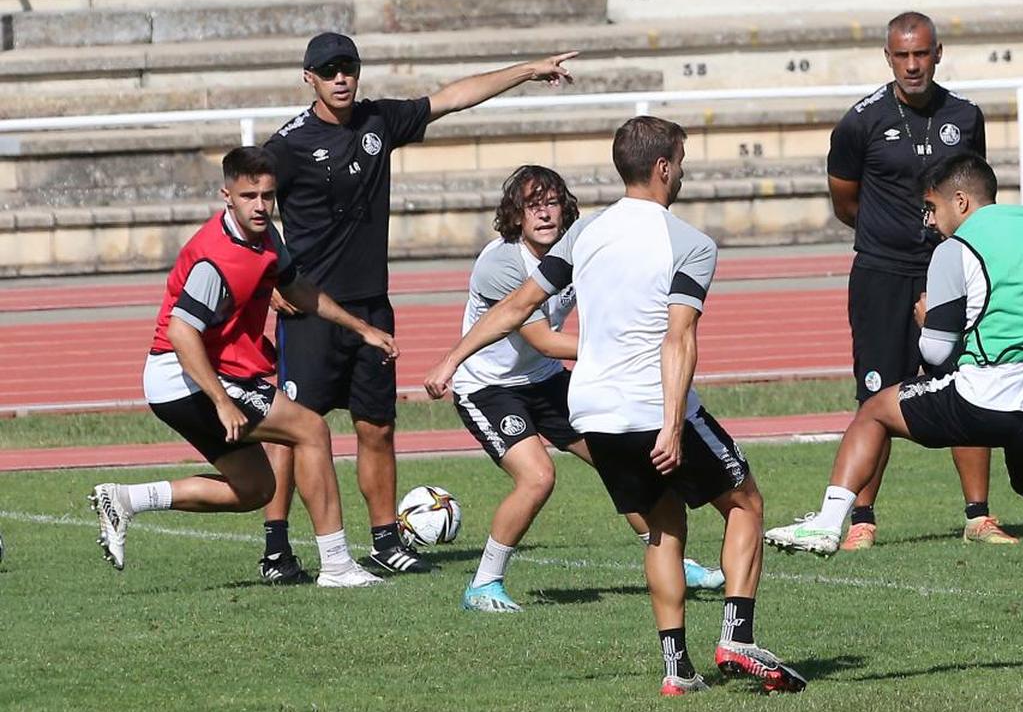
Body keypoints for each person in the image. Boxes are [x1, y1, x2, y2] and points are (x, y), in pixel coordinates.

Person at [426, 117, 805, 696]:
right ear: (662, 168)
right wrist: (675, 425)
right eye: (680, 160)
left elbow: (514, 307)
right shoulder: (691, 243)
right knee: (745, 503)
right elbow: (679, 339)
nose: (682, 170)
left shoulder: (585, 235)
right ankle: (736, 636)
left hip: (593, 412)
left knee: (663, 529)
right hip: (651, 408)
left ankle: (677, 671)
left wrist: (450, 359)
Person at [765, 153, 1023, 676]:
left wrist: (923, 319)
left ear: (960, 201)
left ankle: (829, 522)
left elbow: (937, 354)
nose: (930, 221)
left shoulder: (954, 249)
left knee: (873, 411)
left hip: (986, 398)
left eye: (931, 208)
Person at [258, 32, 578, 582]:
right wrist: (268, 283)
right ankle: (276, 547)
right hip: (309, 309)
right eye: (328, 70)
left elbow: (453, 97)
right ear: (308, 77)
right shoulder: (286, 146)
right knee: (296, 429)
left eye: (348, 68)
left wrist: (527, 70)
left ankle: (385, 540)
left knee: (377, 427)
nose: (341, 78)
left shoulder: (378, 121)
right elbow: (250, 210)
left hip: (371, 310)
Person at [89, 147, 398, 588]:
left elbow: (299, 290)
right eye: (249, 195)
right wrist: (221, 402)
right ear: (226, 196)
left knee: (254, 488)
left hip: (194, 377)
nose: (260, 205)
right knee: (311, 430)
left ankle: (125, 499)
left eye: (268, 196)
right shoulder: (216, 259)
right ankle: (337, 565)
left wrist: (361, 328)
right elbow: (181, 333)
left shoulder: (267, 239)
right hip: (184, 377)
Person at [447, 164, 724, 613]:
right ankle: (483, 584)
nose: (543, 214)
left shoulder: (581, 246)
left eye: (551, 202)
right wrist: (627, 346)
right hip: (490, 388)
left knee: (617, 457)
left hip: (545, 379)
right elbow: (542, 338)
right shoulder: (502, 262)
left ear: (566, 208)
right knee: (538, 476)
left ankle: (671, 554)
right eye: (531, 206)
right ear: (515, 216)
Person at [825, 10, 1015, 550]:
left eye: (922, 53)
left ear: (938, 53)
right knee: (876, 392)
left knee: (969, 379)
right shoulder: (860, 121)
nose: (913, 65)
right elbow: (847, 201)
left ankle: (978, 515)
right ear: (889, 58)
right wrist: (892, 238)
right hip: (881, 274)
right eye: (902, 55)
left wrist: (944, 252)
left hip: (954, 268)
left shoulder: (965, 115)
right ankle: (862, 519)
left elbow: (973, 190)